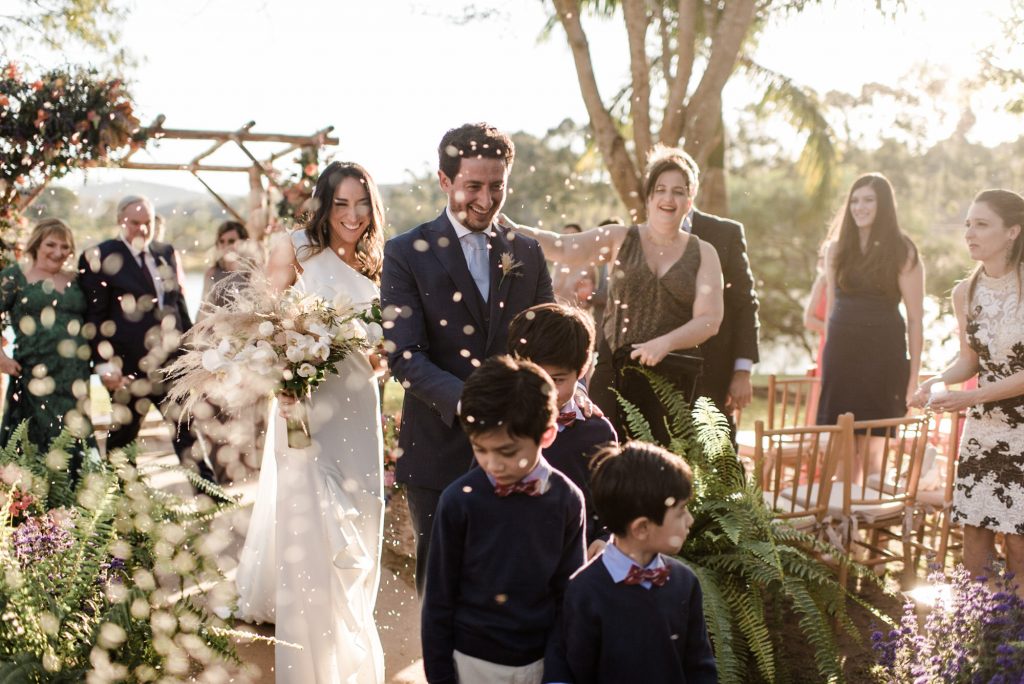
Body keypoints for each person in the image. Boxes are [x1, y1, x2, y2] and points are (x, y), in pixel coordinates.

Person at [381, 122, 555, 596]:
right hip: (439, 450)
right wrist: (475, 405)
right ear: (444, 180)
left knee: (515, 585)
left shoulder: (527, 251)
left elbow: (548, 345)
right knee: (442, 590)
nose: (486, 200)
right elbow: (404, 356)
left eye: (497, 186)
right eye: (472, 186)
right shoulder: (405, 253)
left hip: (520, 452)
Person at [233, 162, 387, 682]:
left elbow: (377, 349)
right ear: (324, 205)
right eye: (341, 203)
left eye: (362, 204)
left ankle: (354, 644)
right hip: (302, 408)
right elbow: (261, 327)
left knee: (362, 515)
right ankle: (312, 665)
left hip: (359, 406)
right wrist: (283, 380)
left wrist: (381, 356)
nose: (353, 215)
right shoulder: (295, 249)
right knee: (311, 525)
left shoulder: (374, 261)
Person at [504, 145, 724, 444]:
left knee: (663, 462)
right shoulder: (619, 237)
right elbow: (563, 246)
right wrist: (513, 230)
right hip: (615, 373)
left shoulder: (704, 252)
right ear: (648, 196)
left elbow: (710, 319)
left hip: (674, 380)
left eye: (678, 191)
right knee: (608, 456)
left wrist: (665, 343)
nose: (668, 199)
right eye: (660, 189)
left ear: (690, 199)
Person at [421, 355, 586, 684]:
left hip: (540, 663)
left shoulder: (567, 501)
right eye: (480, 449)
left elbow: (568, 598)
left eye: (507, 452)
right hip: (469, 663)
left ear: (546, 435)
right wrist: (440, 676)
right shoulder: (458, 501)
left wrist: (558, 674)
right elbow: (438, 599)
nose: (493, 464)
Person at [911, 189, 1024, 596]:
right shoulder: (965, 292)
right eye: (967, 224)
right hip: (982, 432)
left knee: (1019, 543)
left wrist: (970, 398)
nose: (969, 233)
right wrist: (936, 381)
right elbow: (969, 361)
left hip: (1022, 432)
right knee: (974, 540)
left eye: (981, 224)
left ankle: (1016, 631)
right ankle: (979, 628)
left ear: (1012, 231)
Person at [77, 195, 214, 481]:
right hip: (127, 367)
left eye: (147, 222)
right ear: (120, 221)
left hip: (171, 365)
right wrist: (104, 364)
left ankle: (210, 493)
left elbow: (177, 305)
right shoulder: (100, 255)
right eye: (134, 222)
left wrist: (191, 353)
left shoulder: (165, 252)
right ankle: (118, 499)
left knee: (187, 432)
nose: (142, 229)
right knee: (122, 441)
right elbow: (95, 317)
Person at [556, 441, 717, 683]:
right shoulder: (585, 591)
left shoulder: (685, 583)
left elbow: (700, 666)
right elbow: (575, 671)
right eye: (681, 511)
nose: (690, 520)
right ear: (642, 528)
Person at [816, 173, 924, 480]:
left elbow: (916, 319)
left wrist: (913, 377)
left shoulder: (903, 251)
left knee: (875, 458)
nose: (859, 207)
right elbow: (832, 309)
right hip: (841, 358)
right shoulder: (836, 249)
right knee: (841, 459)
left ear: (884, 205)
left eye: (868, 200)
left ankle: (870, 508)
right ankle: (844, 512)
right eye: (854, 200)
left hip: (883, 359)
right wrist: (827, 360)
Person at [507, 302, 616, 551]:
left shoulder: (597, 433)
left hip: (575, 560)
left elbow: (611, 505)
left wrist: (604, 538)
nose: (545, 390)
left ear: (581, 371)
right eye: (534, 376)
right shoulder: (501, 427)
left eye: (557, 380)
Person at [0, 219, 93, 471]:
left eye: (65, 246)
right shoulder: (14, 277)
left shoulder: (77, 280)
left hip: (75, 377)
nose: (58, 252)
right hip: (34, 376)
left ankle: (75, 497)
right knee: (36, 444)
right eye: (51, 244)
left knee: (75, 442)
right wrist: (2, 357)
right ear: (36, 244)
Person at [195, 220, 265, 482]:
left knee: (252, 410)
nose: (227, 246)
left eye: (232, 241)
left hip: (250, 348)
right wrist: (199, 349)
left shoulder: (254, 271)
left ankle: (254, 469)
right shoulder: (212, 273)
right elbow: (203, 312)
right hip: (219, 349)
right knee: (217, 409)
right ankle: (224, 474)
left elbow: (264, 310)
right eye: (222, 241)